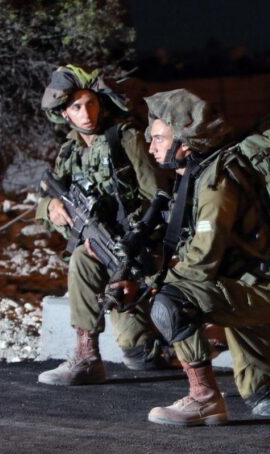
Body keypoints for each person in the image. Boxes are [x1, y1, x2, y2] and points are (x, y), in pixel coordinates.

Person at [140, 88, 270, 425]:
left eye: (159, 138)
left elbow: (203, 259)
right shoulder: (202, 173)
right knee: (265, 398)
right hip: (251, 284)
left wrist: (153, 284)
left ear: (185, 143)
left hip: (253, 292)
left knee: (171, 300)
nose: (151, 147)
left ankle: (203, 398)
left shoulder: (215, 181)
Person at [36, 65, 172, 385]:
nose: (86, 114)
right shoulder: (70, 151)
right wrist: (50, 207)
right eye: (76, 107)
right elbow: (50, 194)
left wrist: (139, 241)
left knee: (140, 356)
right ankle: (86, 357)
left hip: (140, 246)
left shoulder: (124, 137)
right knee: (82, 259)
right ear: (64, 113)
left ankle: (183, 345)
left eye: (91, 103)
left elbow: (159, 195)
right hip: (103, 246)